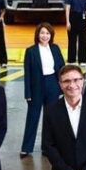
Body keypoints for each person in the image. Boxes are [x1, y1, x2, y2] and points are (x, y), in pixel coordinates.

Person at [21, 22, 64, 158]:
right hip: (36, 87)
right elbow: (27, 74)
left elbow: (62, 68)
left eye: (47, 33)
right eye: (42, 33)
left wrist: (62, 87)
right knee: (33, 117)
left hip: (52, 84)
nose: (45, 36)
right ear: (37, 35)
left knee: (50, 117)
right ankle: (26, 148)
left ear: (51, 35)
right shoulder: (31, 51)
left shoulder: (55, 48)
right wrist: (27, 93)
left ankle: (47, 147)